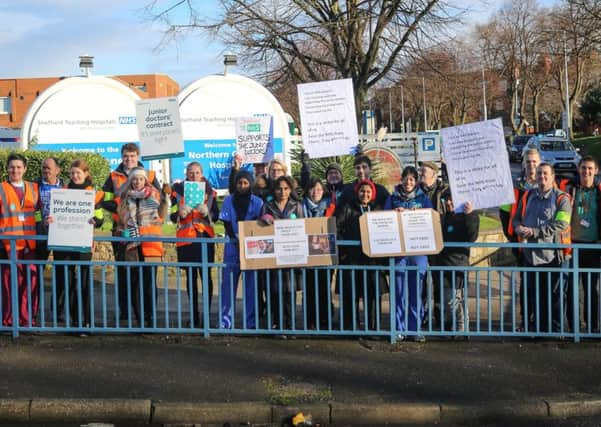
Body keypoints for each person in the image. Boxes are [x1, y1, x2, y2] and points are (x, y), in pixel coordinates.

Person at [101, 143, 162, 322]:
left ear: (138, 157)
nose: (129, 159)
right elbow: (104, 200)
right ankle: (126, 312)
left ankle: (148, 314)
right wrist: (120, 209)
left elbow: (159, 201)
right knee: (124, 274)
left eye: (132, 156)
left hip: (148, 235)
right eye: (126, 156)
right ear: (121, 157)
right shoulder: (113, 176)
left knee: (148, 276)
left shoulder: (150, 175)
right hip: (123, 232)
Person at [512, 163, 572, 333]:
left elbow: (561, 224)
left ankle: (555, 331)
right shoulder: (528, 196)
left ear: (553, 177)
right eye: (539, 174)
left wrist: (534, 232)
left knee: (554, 298)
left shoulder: (562, 199)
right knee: (534, 296)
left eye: (546, 174)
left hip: (553, 258)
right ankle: (537, 329)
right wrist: (517, 228)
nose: (542, 177)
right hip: (530, 257)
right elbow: (516, 218)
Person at [50, 160, 104, 327]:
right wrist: (51, 219)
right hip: (64, 243)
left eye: (78, 172)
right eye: (72, 173)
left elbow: (100, 218)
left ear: (86, 173)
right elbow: (55, 213)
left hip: (83, 243)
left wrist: (97, 220)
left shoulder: (93, 194)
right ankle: (74, 320)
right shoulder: (62, 191)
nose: (75, 176)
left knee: (84, 283)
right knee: (67, 282)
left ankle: (85, 320)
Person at [115, 167, 169, 327]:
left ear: (145, 180)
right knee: (135, 284)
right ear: (130, 181)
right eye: (134, 179)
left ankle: (151, 316)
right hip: (131, 246)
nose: (137, 182)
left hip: (150, 245)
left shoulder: (154, 196)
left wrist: (166, 197)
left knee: (150, 283)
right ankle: (139, 318)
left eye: (140, 179)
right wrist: (122, 232)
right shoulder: (125, 199)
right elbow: (120, 222)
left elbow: (162, 215)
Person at [385, 166, 432, 342]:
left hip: (418, 251)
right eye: (406, 178)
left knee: (416, 291)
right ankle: (398, 328)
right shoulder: (392, 199)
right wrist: (392, 214)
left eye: (412, 179)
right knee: (398, 291)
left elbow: (431, 219)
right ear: (401, 179)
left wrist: (418, 215)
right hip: (398, 252)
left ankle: (415, 329)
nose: (408, 182)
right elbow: (384, 220)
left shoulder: (424, 199)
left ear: (416, 181)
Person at [170, 162, 219, 327]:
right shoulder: (177, 192)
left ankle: (207, 315)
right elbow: (170, 216)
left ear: (202, 174)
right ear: (186, 174)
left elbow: (216, 216)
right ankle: (194, 315)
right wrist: (179, 213)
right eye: (191, 173)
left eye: (197, 173)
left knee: (206, 278)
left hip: (205, 239)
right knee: (191, 279)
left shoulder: (210, 191)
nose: (194, 175)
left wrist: (207, 213)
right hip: (187, 240)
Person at [335, 179, 387, 331]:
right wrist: (344, 249)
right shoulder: (347, 207)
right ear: (357, 192)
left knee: (372, 295)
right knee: (351, 294)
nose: (365, 194)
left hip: (372, 260)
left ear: (373, 194)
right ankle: (351, 328)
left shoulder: (377, 209)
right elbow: (336, 228)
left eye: (368, 192)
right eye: (362, 191)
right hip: (352, 258)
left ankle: (373, 327)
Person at [499, 148, 541, 331]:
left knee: (544, 286)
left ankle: (542, 322)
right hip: (522, 246)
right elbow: (504, 215)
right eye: (528, 162)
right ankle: (526, 321)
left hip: (544, 246)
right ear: (523, 164)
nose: (532, 165)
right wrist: (514, 238)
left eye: (534, 161)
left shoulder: (548, 184)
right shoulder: (514, 187)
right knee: (526, 285)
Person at [558, 156, 601, 333]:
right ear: (578, 169)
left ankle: (591, 327)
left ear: (596, 171)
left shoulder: (599, 191)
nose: (586, 172)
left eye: (590, 168)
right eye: (584, 168)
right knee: (571, 290)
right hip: (572, 246)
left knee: (591, 290)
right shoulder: (570, 188)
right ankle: (573, 326)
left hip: (593, 246)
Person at [219, 170, 264, 329]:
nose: (242, 186)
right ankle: (225, 322)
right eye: (239, 183)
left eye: (245, 183)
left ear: (250, 184)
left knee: (251, 287)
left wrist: (246, 239)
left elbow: (260, 222)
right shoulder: (228, 201)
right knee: (228, 286)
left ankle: (250, 323)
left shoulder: (258, 202)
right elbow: (225, 222)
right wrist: (236, 239)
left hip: (251, 248)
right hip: (232, 246)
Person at [0, 153, 40, 327]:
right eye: (12, 167)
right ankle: (8, 320)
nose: (15, 170)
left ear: (24, 169)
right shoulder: (1, 188)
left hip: (30, 245)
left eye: (18, 167)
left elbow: (38, 214)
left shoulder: (34, 188)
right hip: (8, 246)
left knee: (30, 282)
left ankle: (27, 319)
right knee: (9, 284)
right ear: (7, 169)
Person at [430, 192, 479, 333]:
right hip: (442, 265)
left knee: (455, 301)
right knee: (447, 301)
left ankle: (462, 330)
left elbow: (472, 236)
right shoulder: (444, 217)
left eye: (452, 200)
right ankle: (454, 330)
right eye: (447, 200)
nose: (449, 203)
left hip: (457, 265)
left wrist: (469, 215)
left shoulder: (469, 215)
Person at [259, 175, 304, 329]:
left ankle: (290, 324)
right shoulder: (267, 206)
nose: (282, 192)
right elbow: (260, 226)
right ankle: (276, 323)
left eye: (286, 188)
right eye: (279, 188)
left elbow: (303, 226)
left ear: (290, 189)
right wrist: (264, 219)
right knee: (275, 291)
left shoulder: (297, 206)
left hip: (292, 253)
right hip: (273, 254)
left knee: (289, 292)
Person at [302, 177, 334, 330]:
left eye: (319, 189)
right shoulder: (302, 206)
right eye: (313, 189)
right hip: (306, 252)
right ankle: (310, 320)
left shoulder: (329, 206)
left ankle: (325, 319)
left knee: (324, 287)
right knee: (309, 288)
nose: (316, 192)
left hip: (324, 252)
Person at [35, 157, 62, 274]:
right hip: (41, 233)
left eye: (49, 168)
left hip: (60, 234)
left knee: (61, 268)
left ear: (57, 170)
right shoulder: (34, 186)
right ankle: (36, 292)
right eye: (43, 168)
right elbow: (32, 209)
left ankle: (59, 292)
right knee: (37, 268)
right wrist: (41, 222)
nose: (46, 170)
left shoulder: (65, 186)